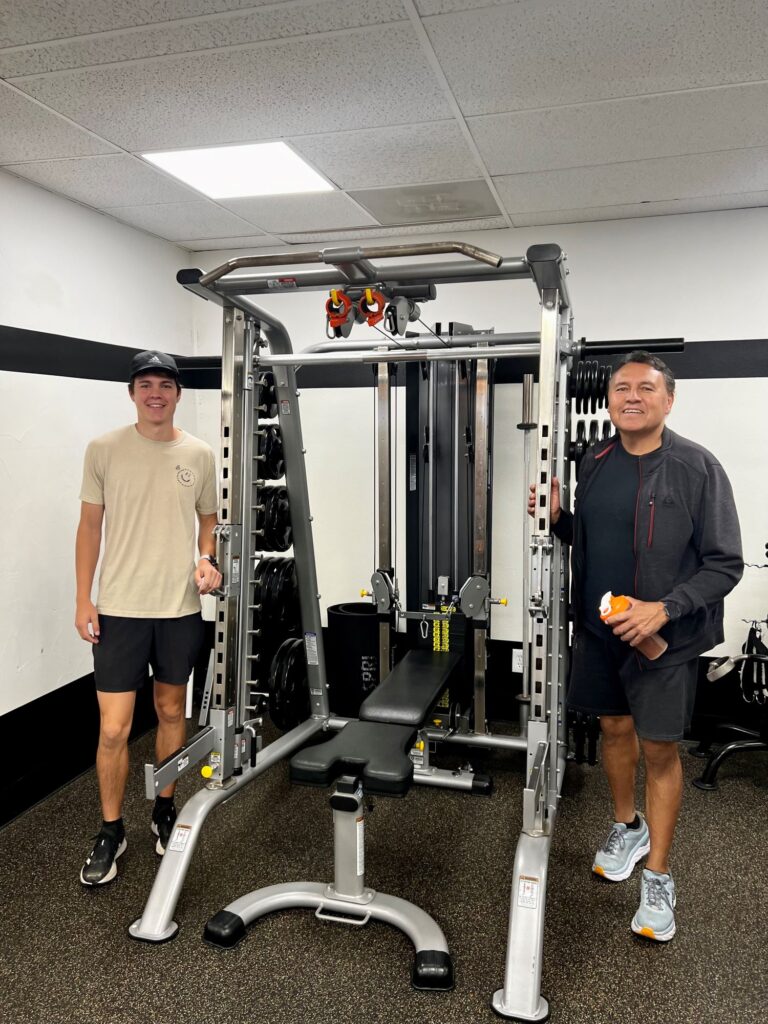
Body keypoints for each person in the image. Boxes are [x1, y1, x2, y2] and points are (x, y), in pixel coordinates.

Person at [529, 350, 742, 941]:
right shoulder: (595, 462)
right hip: (600, 632)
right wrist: (559, 518)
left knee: (660, 751)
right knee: (613, 731)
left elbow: (726, 564)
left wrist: (664, 609)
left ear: (668, 400)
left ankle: (658, 876)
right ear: (609, 401)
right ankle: (628, 826)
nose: (631, 396)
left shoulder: (699, 468)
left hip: (665, 642)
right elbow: (590, 537)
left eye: (645, 388)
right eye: (621, 388)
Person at [75, 350, 222, 886]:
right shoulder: (104, 449)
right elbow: (90, 527)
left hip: (179, 608)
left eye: (165, 384)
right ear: (132, 393)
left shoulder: (200, 454)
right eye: (146, 385)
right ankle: (111, 830)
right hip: (118, 609)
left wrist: (207, 558)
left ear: (178, 394)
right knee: (113, 728)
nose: (155, 393)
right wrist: (82, 599)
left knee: (170, 711)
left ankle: (164, 806)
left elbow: (210, 520)